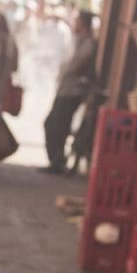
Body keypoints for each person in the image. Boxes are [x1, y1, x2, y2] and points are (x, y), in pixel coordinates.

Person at [43, 10, 96, 174]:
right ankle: (56, 159)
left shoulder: (88, 43)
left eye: (78, 21)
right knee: (53, 124)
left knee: (58, 125)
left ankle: (57, 160)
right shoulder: (76, 40)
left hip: (72, 91)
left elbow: (75, 65)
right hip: (64, 89)